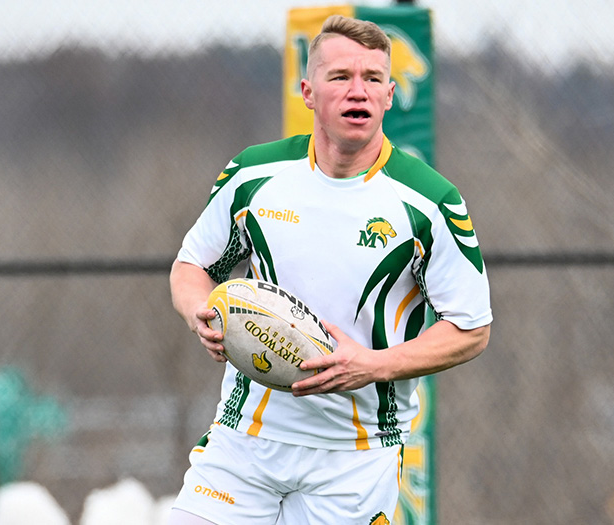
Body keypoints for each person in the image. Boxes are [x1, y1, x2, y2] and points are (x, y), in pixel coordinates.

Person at [167, 14, 492, 525]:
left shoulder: (429, 202)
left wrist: (373, 365)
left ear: (389, 95)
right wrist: (198, 311)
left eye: (373, 78)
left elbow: (472, 329)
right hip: (245, 441)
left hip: (354, 459)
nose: (357, 91)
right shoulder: (253, 176)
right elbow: (191, 267)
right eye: (340, 77)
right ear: (308, 91)